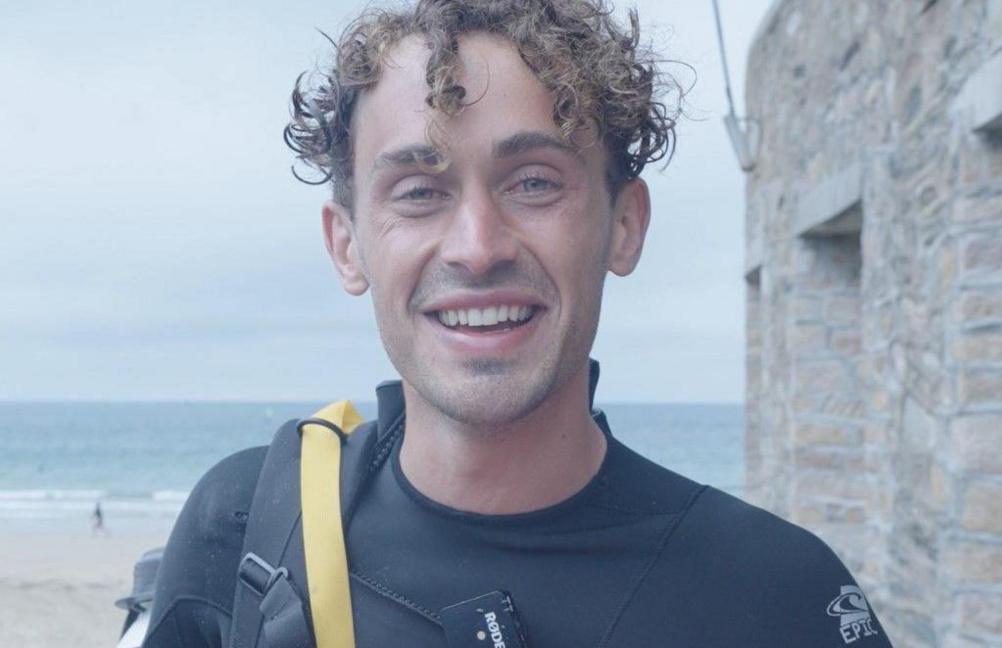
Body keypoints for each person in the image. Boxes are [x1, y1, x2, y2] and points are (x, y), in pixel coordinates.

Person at [145, 1, 891, 647]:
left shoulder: (776, 596)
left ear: (624, 225)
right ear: (347, 245)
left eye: (533, 183)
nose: (478, 247)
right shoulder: (247, 527)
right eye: (417, 191)